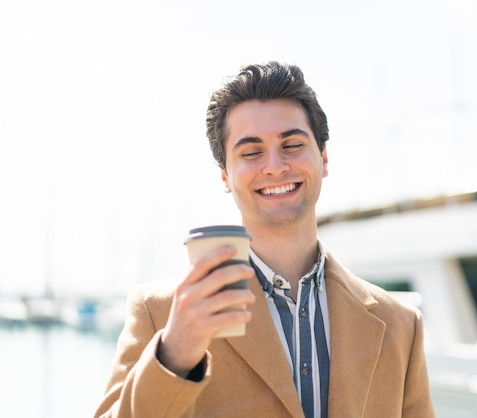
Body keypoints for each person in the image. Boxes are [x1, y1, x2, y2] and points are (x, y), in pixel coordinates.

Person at [94, 61, 435, 418]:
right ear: (226, 176)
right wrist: (174, 354)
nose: (274, 166)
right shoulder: (159, 313)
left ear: (323, 158)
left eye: (292, 145)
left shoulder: (401, 325)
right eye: (252, 152)